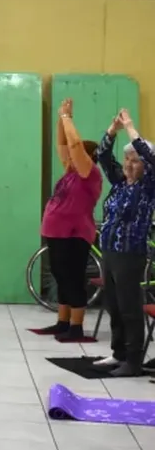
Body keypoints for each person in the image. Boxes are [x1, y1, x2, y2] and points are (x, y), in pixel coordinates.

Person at [93, 109, 155, 376]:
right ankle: (118, 353)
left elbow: (152, 159)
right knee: (113, 304)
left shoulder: (148, 186)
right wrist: (112, 129)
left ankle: (133, 360)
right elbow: (102, 156)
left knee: (130, 307)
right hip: (109, 250)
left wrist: (130, 127)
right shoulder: (120, 183)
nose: (129, 164)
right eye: (127, 158)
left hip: (130, 253)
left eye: (135, 161)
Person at [35, 98, 102, 342]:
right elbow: (64, 144)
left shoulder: (89, 174)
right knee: (60, 275)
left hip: (75, 234)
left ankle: (76, 327)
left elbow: (73, 145)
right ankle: (62, 322)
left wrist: (68, 119)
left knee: (73, 278)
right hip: (57, 232)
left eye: (79, 154)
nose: (71, 156)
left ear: (89, 157)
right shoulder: (71, 171)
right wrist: (60, 118)